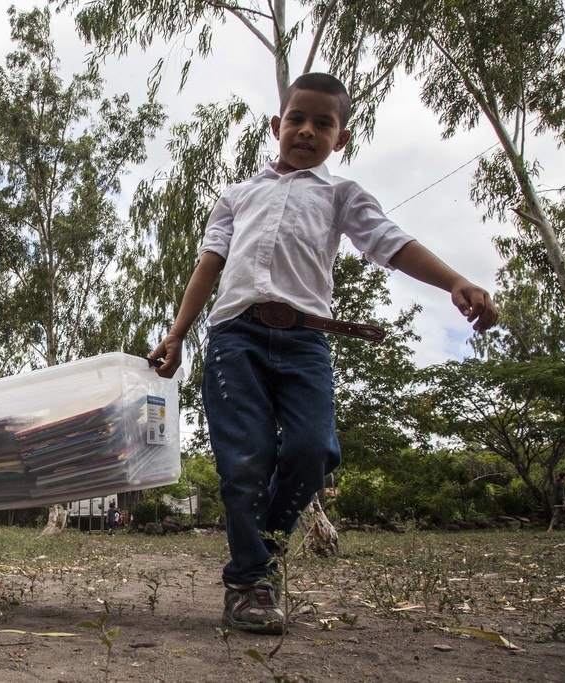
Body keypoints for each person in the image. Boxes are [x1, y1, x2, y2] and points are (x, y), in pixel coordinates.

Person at [148, 73, 498, 634]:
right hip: (234, 338)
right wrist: (177, 333)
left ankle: (262, 551)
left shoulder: (341, 195)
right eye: (297, 119)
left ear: (342, 138)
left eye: (323, 123)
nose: (308, 131)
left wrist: (455, 281)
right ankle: (250, 582)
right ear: (276, 127)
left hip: (305, 343)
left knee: (314, 450)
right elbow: (208, 266)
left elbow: (391, 242)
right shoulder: (236, 197)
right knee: (244, 463)